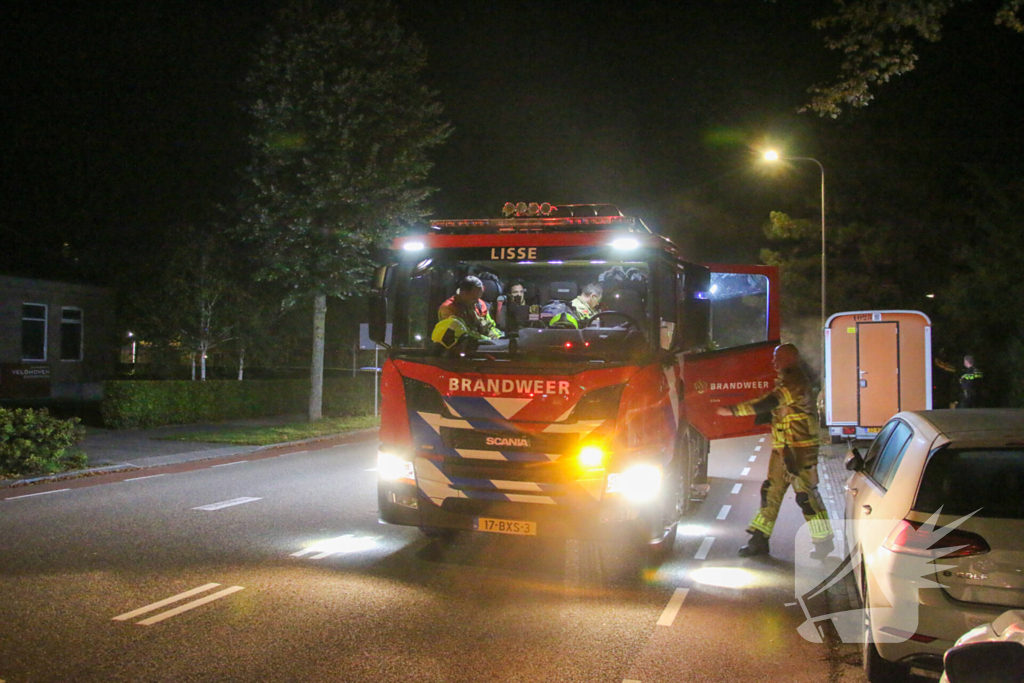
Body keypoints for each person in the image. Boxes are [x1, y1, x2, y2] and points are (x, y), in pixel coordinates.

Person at [715, 343, 834, 559]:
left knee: (806, 497)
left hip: (799, 451)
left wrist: (732, 411)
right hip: (783, 449)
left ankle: (824, 541)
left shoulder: (794, 382)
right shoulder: (788, 380)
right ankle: (759, 540)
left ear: (791, 358)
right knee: (770, 493)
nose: (773, 361)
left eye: (778, 357)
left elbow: (770, 402)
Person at [432, 275, 501, 349]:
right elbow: (461, 333)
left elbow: (490, 326)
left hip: (483, 347)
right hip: (460, 349)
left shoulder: (480, 304)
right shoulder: (448, 309)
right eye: (473, 298)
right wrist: (487, 339)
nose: (476, 301)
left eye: (478, 297)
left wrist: (497, 337)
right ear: (463, 293)